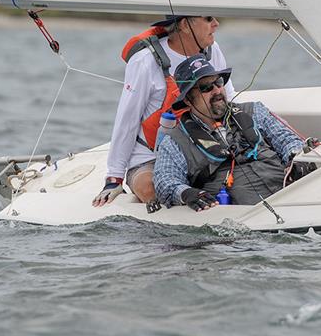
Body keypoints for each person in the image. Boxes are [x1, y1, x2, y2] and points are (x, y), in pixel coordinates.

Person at [92, 15, 235, 207]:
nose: (216, 24)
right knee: (152, 188)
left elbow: (229, 101)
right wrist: (114, 178)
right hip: (151, 158)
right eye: (208, 19)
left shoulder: (212, 51)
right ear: (185, 25)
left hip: (205, 153)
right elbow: (127, 119)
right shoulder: (144, 60)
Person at [152, 54, 304, 211]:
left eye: (218, 82)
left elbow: (288, 140)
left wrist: (296, 158)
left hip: (291, 197)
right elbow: (165, 181)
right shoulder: (175, 142)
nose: (217, 91)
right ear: (188, 100)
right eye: (206, 88)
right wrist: (186, 193)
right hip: (240, 215)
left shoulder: (255, 111)